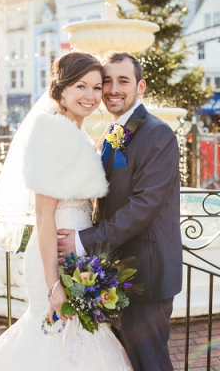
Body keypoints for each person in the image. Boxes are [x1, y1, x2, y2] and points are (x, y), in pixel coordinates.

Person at [0, 52, 131, 369]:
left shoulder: (74, 133)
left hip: (79, 255)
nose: (91, 96)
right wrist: (54, 285)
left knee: (74, 344)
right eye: (81, 86)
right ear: (61, 88)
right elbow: (43, 215)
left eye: (97, 88)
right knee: (59, 340)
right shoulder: (52, 131)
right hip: (54, 258)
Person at [57, 51, 182, 371]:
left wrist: (83, 240)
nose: (112, 89)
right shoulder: (112, 135)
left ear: (140, 87)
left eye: (122, 81)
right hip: (114, 270)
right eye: (106, 82)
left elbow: (144, 205)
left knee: (149, 362)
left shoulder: (158, 134)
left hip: (147, 272)